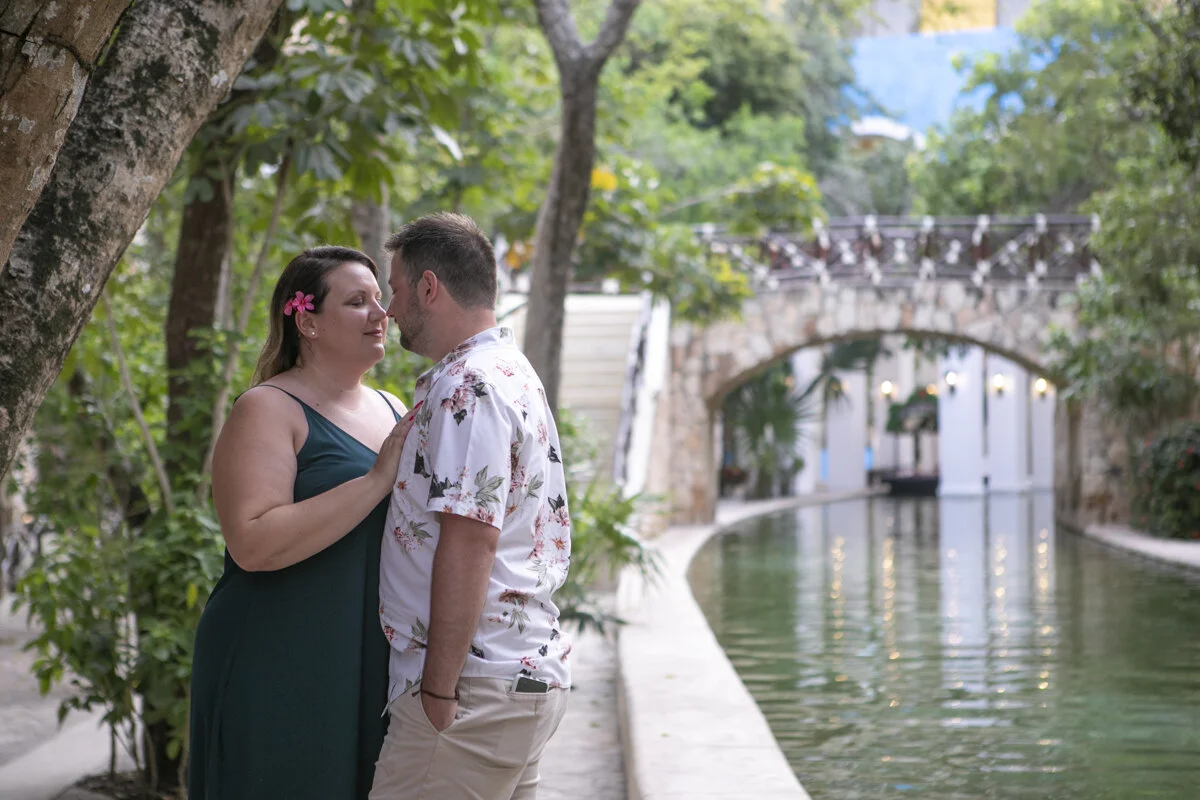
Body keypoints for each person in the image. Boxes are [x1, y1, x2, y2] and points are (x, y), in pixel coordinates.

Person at [189, 246, 416, 799]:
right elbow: (251, 542)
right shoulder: (267, 408)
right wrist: (373, 481)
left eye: (380, 300)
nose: (379, 314)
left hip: (367, 657)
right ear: (308, 321)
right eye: (357, 301)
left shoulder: (392, 405)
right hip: (281, 653)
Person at [371, 213, 572, 800]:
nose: (390, 308)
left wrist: (438, 690)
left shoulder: (469, 386)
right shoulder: (511, 372)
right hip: (512, 678)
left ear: (430, 287)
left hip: (473, 690)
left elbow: (470, 541)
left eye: (397, 289)